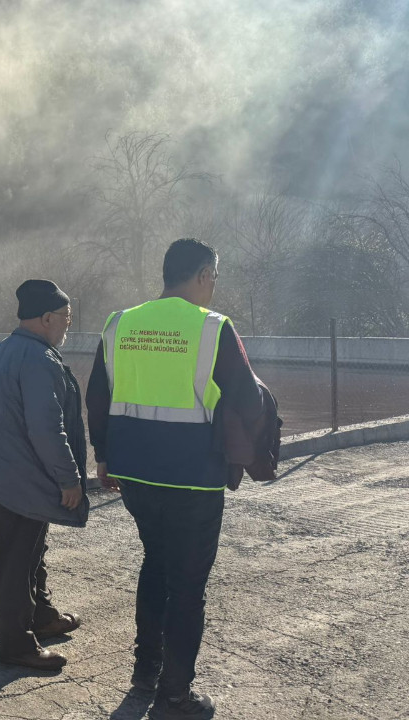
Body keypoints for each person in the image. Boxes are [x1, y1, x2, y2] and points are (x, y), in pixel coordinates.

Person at [86, 238, 274, 720]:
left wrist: (104, 457)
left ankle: (145, 671)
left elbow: (98, 398)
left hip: (134, 475)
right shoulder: (213, 328)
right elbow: (248, 401)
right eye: (214, 278)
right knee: (187, 586)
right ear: (204, 276)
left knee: (156, 563)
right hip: (193, 477)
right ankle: (175, 694)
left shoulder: (119, 322)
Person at [0, 279, 89, 672]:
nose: (67, 325)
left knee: (30, 549)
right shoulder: (39, 360)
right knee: (15, 560)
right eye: (65, 318)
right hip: (21, 477)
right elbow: (47, 429)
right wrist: (69, 479)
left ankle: (41, 617)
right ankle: (14, 645)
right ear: (46, 318)